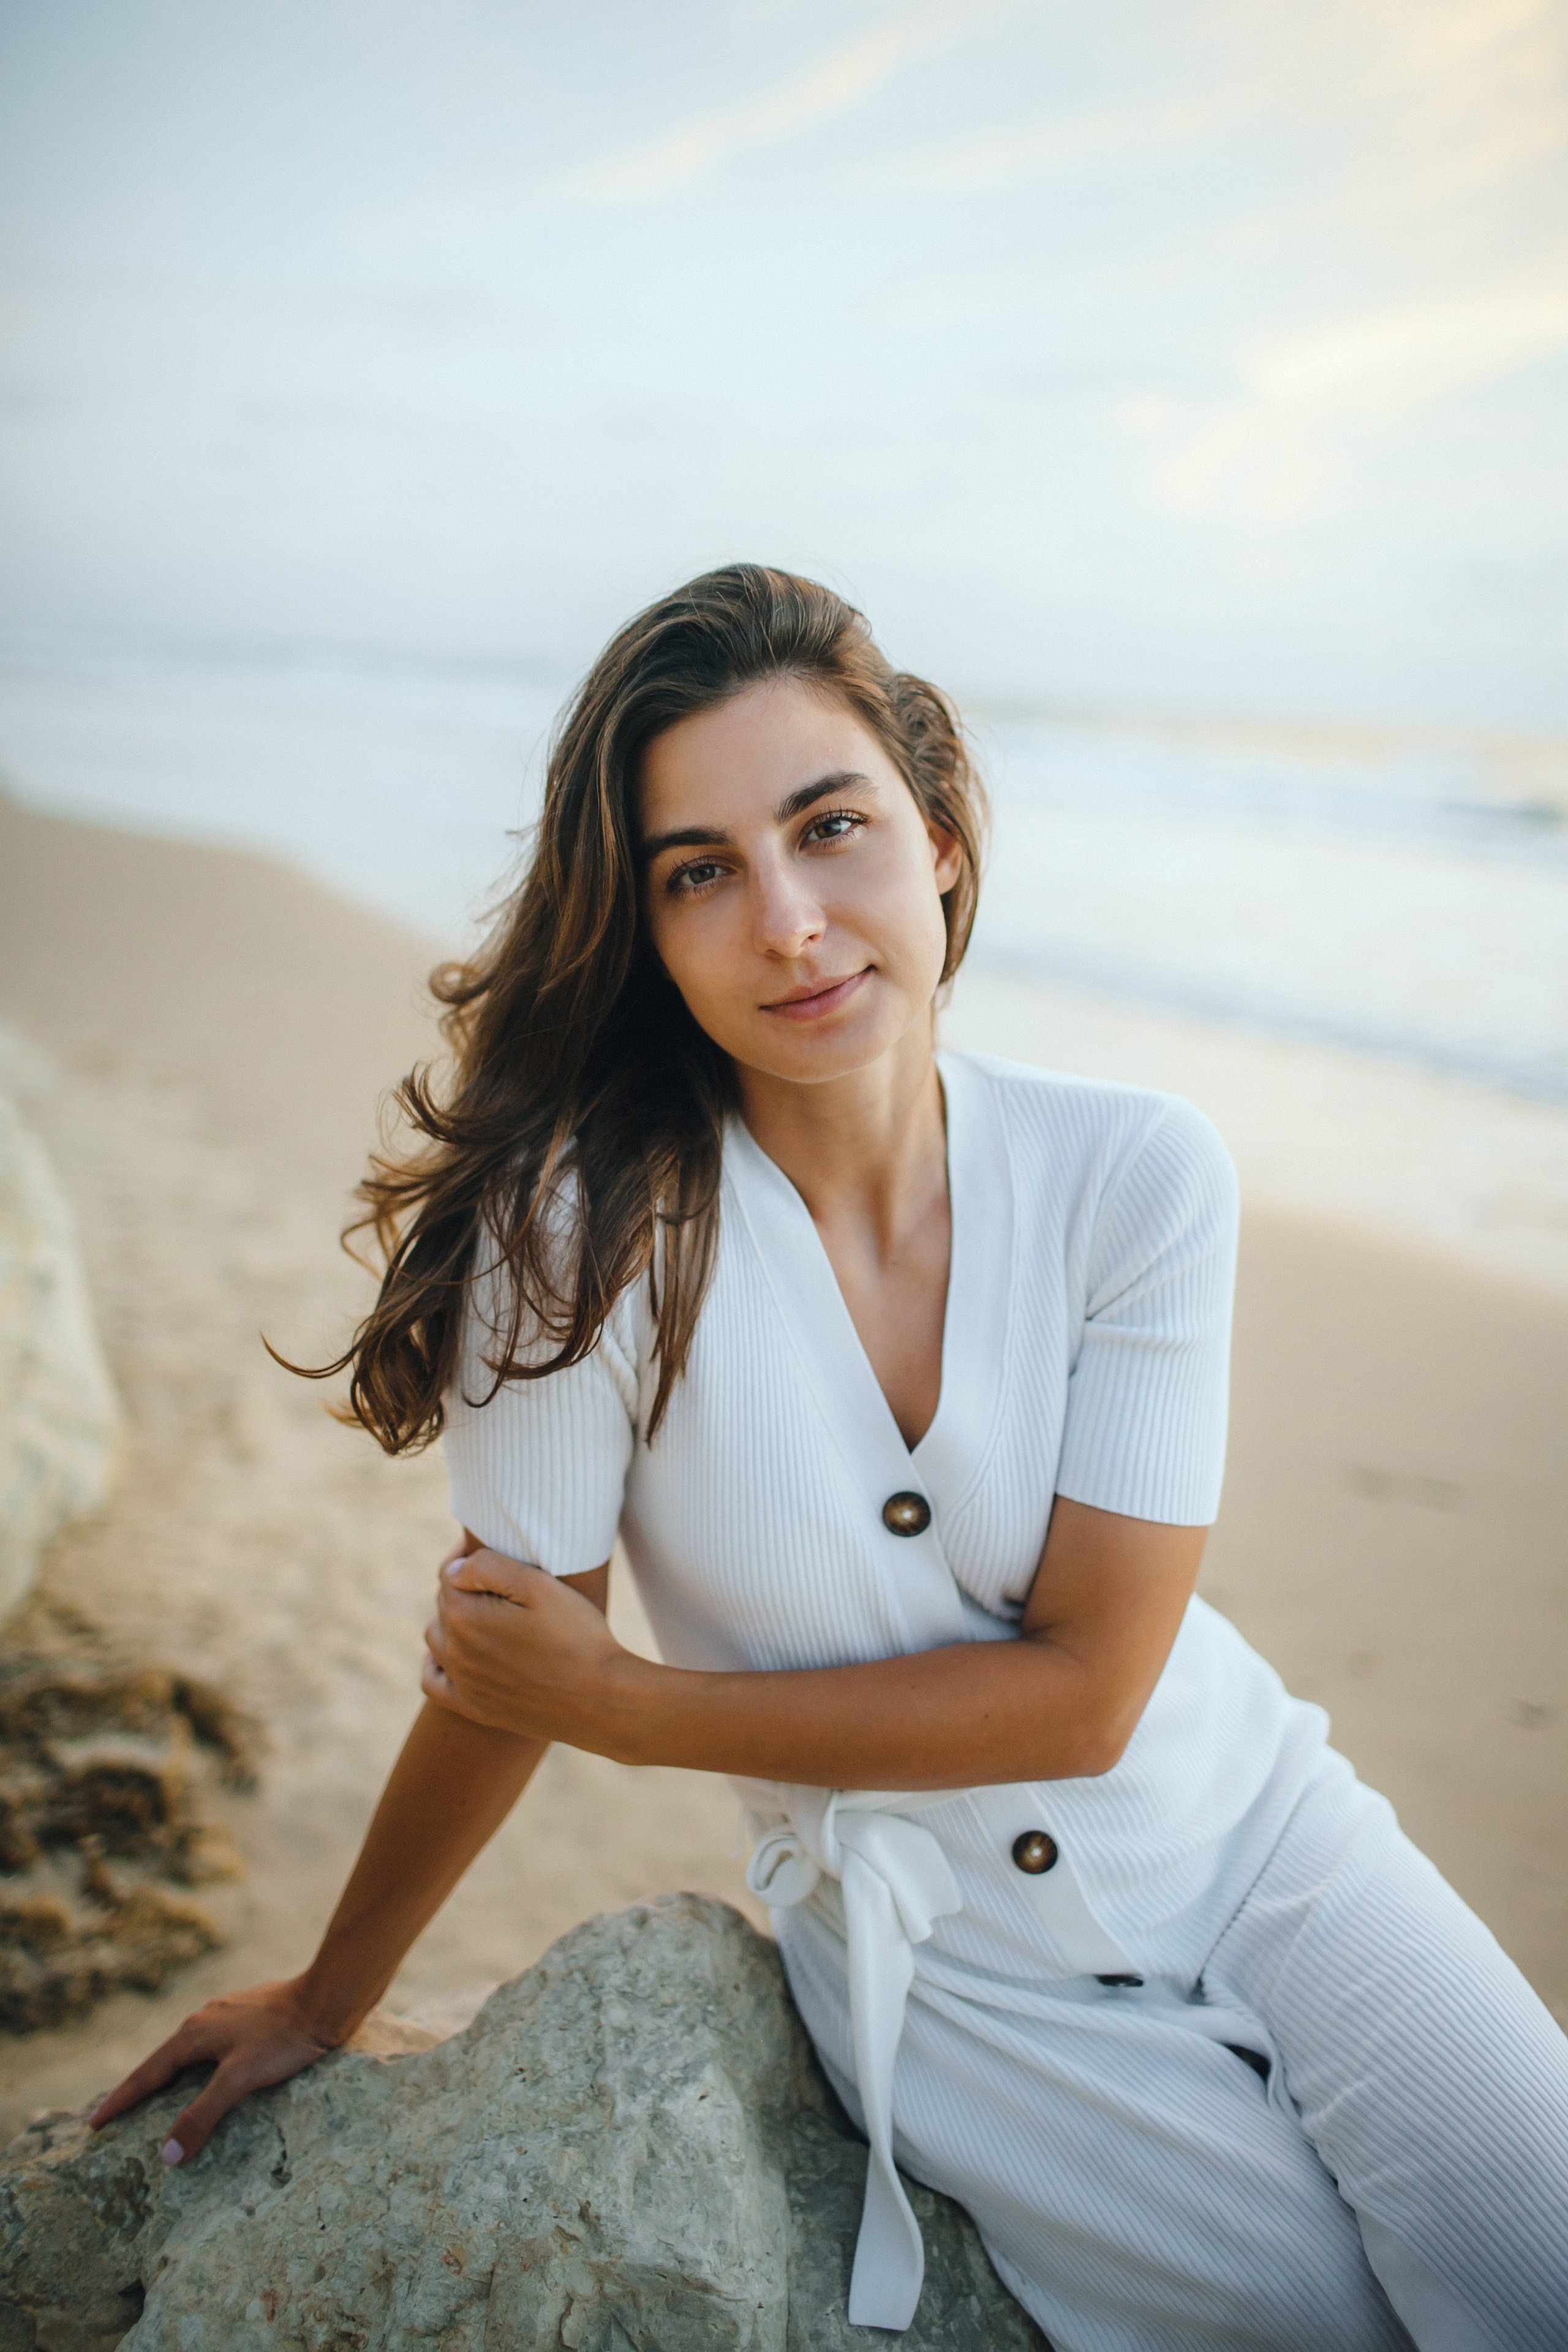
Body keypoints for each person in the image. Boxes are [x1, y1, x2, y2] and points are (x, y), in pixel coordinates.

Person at [92, 566, 1568, 2351]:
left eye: (831, 827)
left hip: (1268, 1847)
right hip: (952, 1983)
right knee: (1302, 2319)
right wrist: (331, 1999)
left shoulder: (1138, 1175)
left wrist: (636, 1711)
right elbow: (507, 1672)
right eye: (699, 871)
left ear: (939, 838)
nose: (788, 922)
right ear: (646, 932)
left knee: (1539, 2262)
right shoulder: (577, 1245)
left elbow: (1091, 1696)